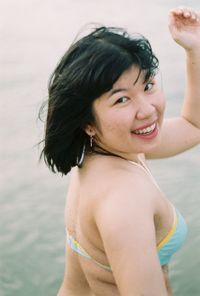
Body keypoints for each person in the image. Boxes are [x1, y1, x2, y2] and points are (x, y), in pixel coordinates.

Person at [40, 7, 200, 296]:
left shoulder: (101, 155)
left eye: (148, 85)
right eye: (122, 99)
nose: (148, 109)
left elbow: (193, 127)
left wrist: (194, 51)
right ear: (87, 122)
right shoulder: (124, 200)